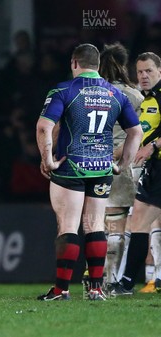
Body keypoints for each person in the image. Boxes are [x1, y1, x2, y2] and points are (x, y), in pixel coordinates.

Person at [36, 44, 142, 301]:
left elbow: (44, 127)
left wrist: (48, 159)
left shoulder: (64, 90)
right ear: (97, 65)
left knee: (68, 226)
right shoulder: (115, 93)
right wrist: (123, 164)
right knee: (95, 226)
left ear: (74, 63)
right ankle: (96, 288)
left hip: (71, 166)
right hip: (101, 167)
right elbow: (136, 132)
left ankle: (61, 290)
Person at [112, 52, 161, 295]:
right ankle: (128, 282)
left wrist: (153, 147)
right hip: (155, 170)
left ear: (159, 71)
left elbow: (148, 143)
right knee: (139, 220)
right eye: (140, 71)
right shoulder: (147, 101)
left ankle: (129, 281)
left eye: (148, 71)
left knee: (140, 221)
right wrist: (109, 154)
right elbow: (139, 138)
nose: (143, 76)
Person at [97, 42, 144, 287]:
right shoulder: (133, 95)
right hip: (120, 165)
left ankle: (94, 277)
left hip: (89, 164)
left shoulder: (90, 92)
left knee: (95, 225)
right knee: (117, 225)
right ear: (123, 65)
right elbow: (140, 131)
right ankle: (112, 279)